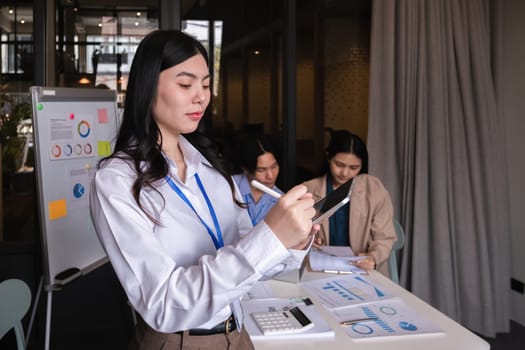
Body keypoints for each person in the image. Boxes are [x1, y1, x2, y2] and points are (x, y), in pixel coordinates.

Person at [89, 30, 317, 350]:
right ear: (147, 85)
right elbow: (164, 304)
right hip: (179, 341)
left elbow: (252, 266)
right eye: (186, 84)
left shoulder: (210, 168)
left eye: (207, 84)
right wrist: (269, 238)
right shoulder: (117, 181)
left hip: (237, 333)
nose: (201, 97)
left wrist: (292, 240)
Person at [302, 129, 397, 277]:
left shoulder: (374, 189)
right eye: (339, 164)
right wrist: (309, 241)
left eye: (354, 168)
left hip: (362, 269)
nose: (345, 173)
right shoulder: (309, 189)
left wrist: (373, 257)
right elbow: (296, 234)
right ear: (328, 158)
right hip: (319, 268)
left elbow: (384, 237)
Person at [233, 134, 283, 226]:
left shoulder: (280, 200)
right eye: (261, 170)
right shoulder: (229, 187)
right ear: (246, 169)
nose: (270, 176)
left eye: (274, 167)